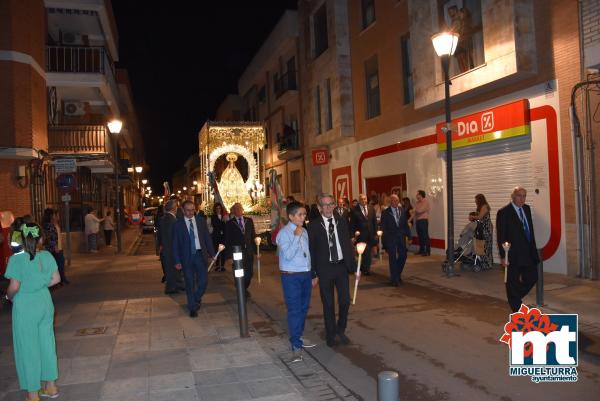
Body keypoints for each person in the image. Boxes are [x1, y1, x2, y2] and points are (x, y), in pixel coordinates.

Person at [5, 222, 61, 401]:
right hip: (45, 303)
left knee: (29, 348)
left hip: (25, 306)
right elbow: (56, 279)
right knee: (47, 344)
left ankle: (32, 393)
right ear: (41, 239)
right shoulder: (46, 255)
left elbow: (14, 286)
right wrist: (40, 283)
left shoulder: (17, 259)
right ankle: (51, 387)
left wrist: (8, 296)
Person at [307, 193, 355, 347]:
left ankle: (340, 329)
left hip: (341, 267)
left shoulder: (341, 222)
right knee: (328, 303)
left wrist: (353, 266)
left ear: (335, 205)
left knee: (345, 300)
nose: (328, 207)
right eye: (325, 205)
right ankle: (330, 334)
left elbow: (346, 244)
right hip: (325, 269)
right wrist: (313, 273)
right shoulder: (313, 226)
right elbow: (311, 251)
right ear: (320, 208)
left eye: (331, 204)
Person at [276, 202, 317, 362]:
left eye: (304, 214)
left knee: (303, 308)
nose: (303, 217)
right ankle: (295, 345)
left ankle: (298, 336)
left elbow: (308, 254)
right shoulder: (284, 234)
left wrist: (313, 273)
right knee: (294, 310)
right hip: (291, 276)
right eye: (300, 214)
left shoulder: (304, 231)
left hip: (305, 274)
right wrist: (296, 236)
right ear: (291, 216)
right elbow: (288, 255)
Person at [497, 187, 539, 312]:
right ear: (513, 196)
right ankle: (517, 308)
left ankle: (514, 297)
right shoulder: (504, 212)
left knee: (532, 277)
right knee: (512, 281)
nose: (522, 199)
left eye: (524, 196)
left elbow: (529, 230)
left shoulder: (526, 209)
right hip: (512, 254)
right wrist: (503, 256)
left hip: (527, 253)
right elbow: (501, 236)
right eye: (519, 196)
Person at [173, 200, 215, 317]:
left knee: (203, 281)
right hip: (186, 257)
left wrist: (212, 254)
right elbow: (175, 244)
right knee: (189, 282)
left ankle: (195, 298)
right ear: (183, 210)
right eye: (188, 210)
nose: (191, 212)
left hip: (200, 255)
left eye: (192, 210)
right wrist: (176, 260)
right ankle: (192, 307)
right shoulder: (178, 224)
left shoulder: (201, 221)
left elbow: (207, 238)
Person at [224, 203, 257, 296]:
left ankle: (243, 287)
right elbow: (227, 240)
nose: (239, 210)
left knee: (249, 273)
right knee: (239, 272)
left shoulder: (249, 221)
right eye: (236, 209)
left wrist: (257, 251)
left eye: (240, 208)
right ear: (233, 211)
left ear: (243, 210)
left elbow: (253, 236)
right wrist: (229, 256)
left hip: (248, 252)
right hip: (237, 253)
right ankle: (241, 289)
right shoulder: (230, 224)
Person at [381, 195, 411, 286]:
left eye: (397, 200)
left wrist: (409, 237)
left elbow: (405, 224)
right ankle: (394, 280)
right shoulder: (386, 212)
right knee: (392, 258)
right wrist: (385, 241)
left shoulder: (402, 210)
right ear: (391, 201)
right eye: (394, 200)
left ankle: (396, 274)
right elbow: (383, 227)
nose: (396, 202)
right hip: (391, 238)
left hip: (401, 237)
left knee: (403, 255)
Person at [161, 200, 184, 294]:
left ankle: (176, 286)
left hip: (166, 248)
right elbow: (173, 236)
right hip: (171, 248)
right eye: (176, 206)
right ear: (174, 208)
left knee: (171, 269)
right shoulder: (172, 220)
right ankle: (171, 288)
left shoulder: (164, 218)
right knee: (172, 268)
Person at [350, 194, 377, 275]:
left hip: (370, 234)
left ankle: (364, 267)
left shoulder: (371, 208)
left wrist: (375, 233)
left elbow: (374, 221)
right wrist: (352, 235)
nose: (364, 201)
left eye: (365, 199)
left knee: (368, 252)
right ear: (359, 200)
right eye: (362, 199)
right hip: (361, 235)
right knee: (365, 252)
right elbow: (352, 224)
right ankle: (366, 269)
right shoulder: (354, 210)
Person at [42, 208, 68, 285]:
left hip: (55, 248)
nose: (55, 216)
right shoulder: (49, 225)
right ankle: (60, 280)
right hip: (53, 249)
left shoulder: (50, 224)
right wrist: (55, 246)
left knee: (59, 263)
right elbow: (51, 237)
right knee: (58, 264)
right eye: (53, 214)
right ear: (51, 215)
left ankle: (61, 279)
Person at [475, 193, 493, 270]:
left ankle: (487, 264)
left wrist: (472, 217)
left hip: (486, 229)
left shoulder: (484, 206)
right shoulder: (482, 207)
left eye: (476, 199)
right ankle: (486, 263)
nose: (475, 201)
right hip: (484, 228)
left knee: (486, 246)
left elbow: (480, 217)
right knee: (484, 246)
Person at [210, 203, 227, 272]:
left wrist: (224, 221)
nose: (218, 210)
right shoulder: (213, 217)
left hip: (223, 236)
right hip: (216, 236)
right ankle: (217, 266)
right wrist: (223, 221)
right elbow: (215, 225)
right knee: (217, 251)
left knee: (223, 251)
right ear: (215, 209)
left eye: (219, 208)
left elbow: (226, 227)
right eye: (217, 208)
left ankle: (222, 266)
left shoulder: (224, 216)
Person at [414, 190, 431, 256]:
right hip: (418, 220)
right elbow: (414, 211)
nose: (416, 195)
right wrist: (415, 211)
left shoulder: (425, 201)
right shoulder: (417, 202)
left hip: (423, 220)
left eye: (417, 194)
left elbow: (419, 210)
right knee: (420, 236)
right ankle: (421, 250)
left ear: (421, 195)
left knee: (425, 236)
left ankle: (427, 251)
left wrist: (415, 210)